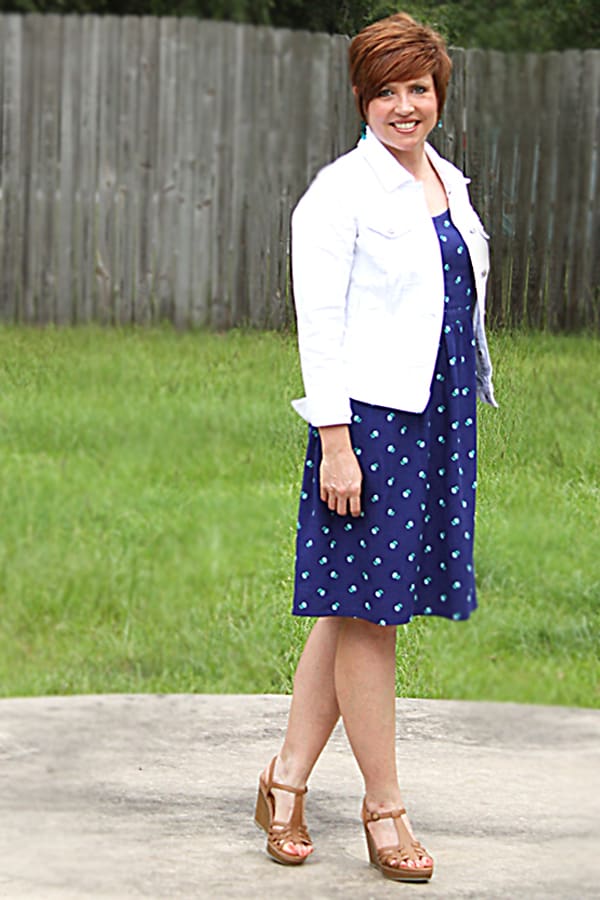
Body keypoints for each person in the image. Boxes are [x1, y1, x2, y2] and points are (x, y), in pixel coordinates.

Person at [254, 11, 497, 883]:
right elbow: (318, 327)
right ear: (363, 99)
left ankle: (284, 780)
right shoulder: (339, 193)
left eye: (419, 89)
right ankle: (384, 807)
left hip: (437, 421)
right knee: (373, 616)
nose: (405, 106)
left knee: (354, 603)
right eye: (387, 91)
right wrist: (336, 444)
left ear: (439, 95)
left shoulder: (447, 182)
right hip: (369, 428)